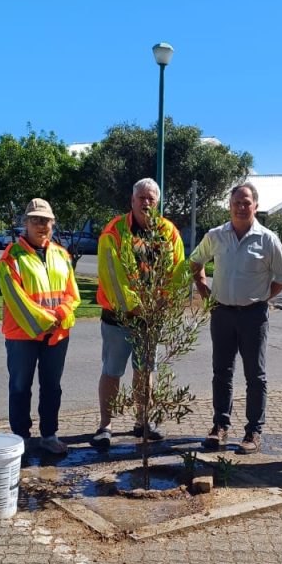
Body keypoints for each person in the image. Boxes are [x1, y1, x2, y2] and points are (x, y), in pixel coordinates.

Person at [190, 183, 282, 454]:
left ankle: (253, 431)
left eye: (246, 202)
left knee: (255, 376)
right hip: (222, 313)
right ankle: (220, 426)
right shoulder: (216, 236)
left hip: (253, 317)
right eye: (237, 202)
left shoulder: (267, 239)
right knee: (221, 372)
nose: (241, 206)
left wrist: (262, 297)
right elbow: (195, 261)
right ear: (229, 205)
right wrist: (204, 290)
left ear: (255, 206)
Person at [91, 178, 184, 450]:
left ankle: (143, 421)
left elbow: (177, 271)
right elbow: (112, 277)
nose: (146, 202)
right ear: (132, 201)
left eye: (151, 198)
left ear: (158, 202)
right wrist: (136, 306)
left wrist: (161, 304)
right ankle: (105, 425)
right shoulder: (115, 231)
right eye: (141, 198)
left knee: (145, 371)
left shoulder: (168, 232)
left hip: (150, 319)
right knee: (112, 371)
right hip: (118, 317)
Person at [0, 198, 80, 454]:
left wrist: (61, 314)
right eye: (35, 220)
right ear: (26, 223)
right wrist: (48, 321)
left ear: (52, 223)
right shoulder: (12, 257)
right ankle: (20, 437)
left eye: (45, 220)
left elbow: (72, 293)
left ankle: (49, 435)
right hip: (23, 334)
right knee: (21, 386)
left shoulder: (62, 254)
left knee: (52, 386)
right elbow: (17, 300)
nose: (40, 225)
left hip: (57, 335)